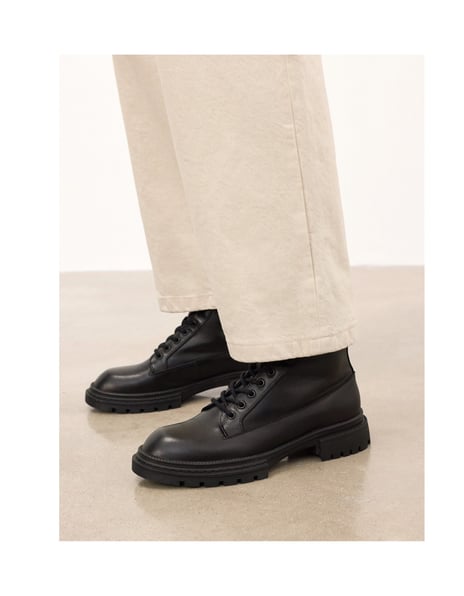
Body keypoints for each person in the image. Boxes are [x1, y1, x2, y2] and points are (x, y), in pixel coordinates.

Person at [85, 55, 370, 488]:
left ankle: (306, 361)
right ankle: (229, 315)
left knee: (236, 60)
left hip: (308, 356)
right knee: (164, 62)